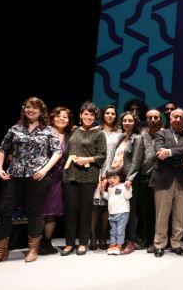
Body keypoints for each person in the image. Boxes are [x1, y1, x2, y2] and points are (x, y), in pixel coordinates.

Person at [0, 97, 61, 265]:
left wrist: (44, 169)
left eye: (35, 108)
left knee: (35, 212)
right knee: (4, 211)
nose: (31, 110)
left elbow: (57, 152)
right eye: (28, 107)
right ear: (24, 109)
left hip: (37, 176)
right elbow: (2, 149)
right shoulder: (15, 129)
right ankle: (0, 251)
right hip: (14, 175)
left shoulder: (48, 130)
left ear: (41, 111)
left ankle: (33, 249)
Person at [62, 101, 107, 256]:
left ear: (96, 117)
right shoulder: (73, 131)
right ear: (81, 115)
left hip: (88, 176)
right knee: (70, 210)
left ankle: (82, 242)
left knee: (85, 211)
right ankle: (69, 243)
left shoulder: (99, 133)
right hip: (70, 174)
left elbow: (102, 156)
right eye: (86, 114)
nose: (88, 117)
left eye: (92, 114)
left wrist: (86, 160)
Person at [150, 108, 183, 257]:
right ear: (170, 118)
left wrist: (169, 152)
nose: (177, 119)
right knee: (162, 214)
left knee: (179, 214)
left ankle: (176, 243)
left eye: (180, 117)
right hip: (164, 179)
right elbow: (159, 153)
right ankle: (159, 245)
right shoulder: (161, 134)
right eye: (175, 116)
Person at [39, 106, 72, 255]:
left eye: (65, 117)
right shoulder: (44, 132)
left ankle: (47, 242)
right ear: (52, 118)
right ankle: (36, 242)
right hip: (42, 174)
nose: (61, 119)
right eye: (58, 116)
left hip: (59, 177)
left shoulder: (70, 136)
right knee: (39, 210)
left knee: (52, 211)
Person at [111, 111, 144, 254]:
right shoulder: (121, 138)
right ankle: (120, 241)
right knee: (120, 211)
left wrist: (129, 178)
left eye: (130, 120)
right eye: (125, 120)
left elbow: (136, 161)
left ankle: (130, 242)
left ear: (135, 123)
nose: (127, 123)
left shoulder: (138, 138)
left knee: (130, 212)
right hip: (118, 179)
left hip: (130, 181)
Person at [91, 105, 123, 251]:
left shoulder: (120, 133)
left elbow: (120, 154)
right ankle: (92, 238)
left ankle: (103, 238)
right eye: (107, 113)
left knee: (106, 207)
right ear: (103, 115)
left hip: (111, 173)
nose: (110, 115)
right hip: (95, 171)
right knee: (94, 207)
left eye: (113, 114)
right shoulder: (95, 130)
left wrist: (109, 175)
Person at [138, 108, 163, 252]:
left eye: (156, 117)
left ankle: (157, 240)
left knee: (158, 211)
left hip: (160, 177)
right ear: (146, 120)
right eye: (150, 117)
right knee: (145, 211)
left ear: (160, 119)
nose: (153, 120)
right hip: (144, 177)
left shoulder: (166, 134)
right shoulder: (141, 135)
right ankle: (145, 239)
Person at [103, 170, 133, 255]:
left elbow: (128, 196)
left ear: (120, 178)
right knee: (113, 230)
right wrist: (102, 192)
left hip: (122, 212)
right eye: (109, 178)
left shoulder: (124, 186)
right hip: (112, 213)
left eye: (114, 178)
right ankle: (113, 244)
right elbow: (109, 198)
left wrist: (128, 188)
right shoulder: (110, 188)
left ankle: (119, 245)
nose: (111, 180)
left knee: (120, 230)